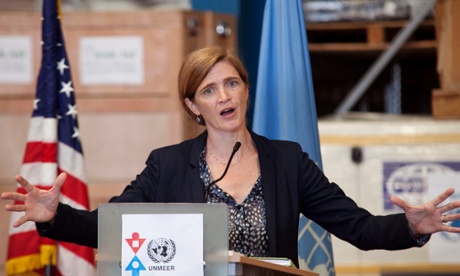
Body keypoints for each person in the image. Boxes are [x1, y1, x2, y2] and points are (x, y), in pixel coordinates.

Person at [2, 46, 460, 268]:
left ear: (245, 88)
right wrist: (54, 216)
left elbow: (358, 228)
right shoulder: (167, 165)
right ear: (192, 106)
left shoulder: (287, 161)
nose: (224, 96)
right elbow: (112, 227)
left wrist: (410, 227)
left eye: (232, 83)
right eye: (208, 89)